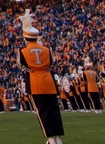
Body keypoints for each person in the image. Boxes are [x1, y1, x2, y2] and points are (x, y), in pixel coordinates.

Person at [17, 9, 63, 144]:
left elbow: (21, 65)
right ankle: (58, 138)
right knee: (54, 109)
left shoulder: (23, 51)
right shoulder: (47, 49)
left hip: (34, 82)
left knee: (42, 111)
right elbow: (52, 63)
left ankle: (50, 138)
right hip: (48, 80)